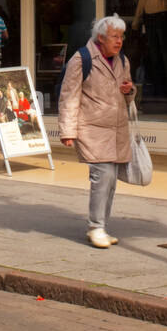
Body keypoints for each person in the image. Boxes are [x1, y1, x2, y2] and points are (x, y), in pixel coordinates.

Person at [58, 15, 136, 249]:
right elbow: (69, 96)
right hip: (92, 129)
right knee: (102, 177)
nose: (119, 41)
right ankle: (95, 227)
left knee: (111, 181)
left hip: (117, 130)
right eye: (114, 36)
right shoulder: (81, 59)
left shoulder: (123, 60)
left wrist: (130, 89)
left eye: (121, 36)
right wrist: (67, 131)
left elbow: (129, 93)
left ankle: (101, 225)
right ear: (101, 38)